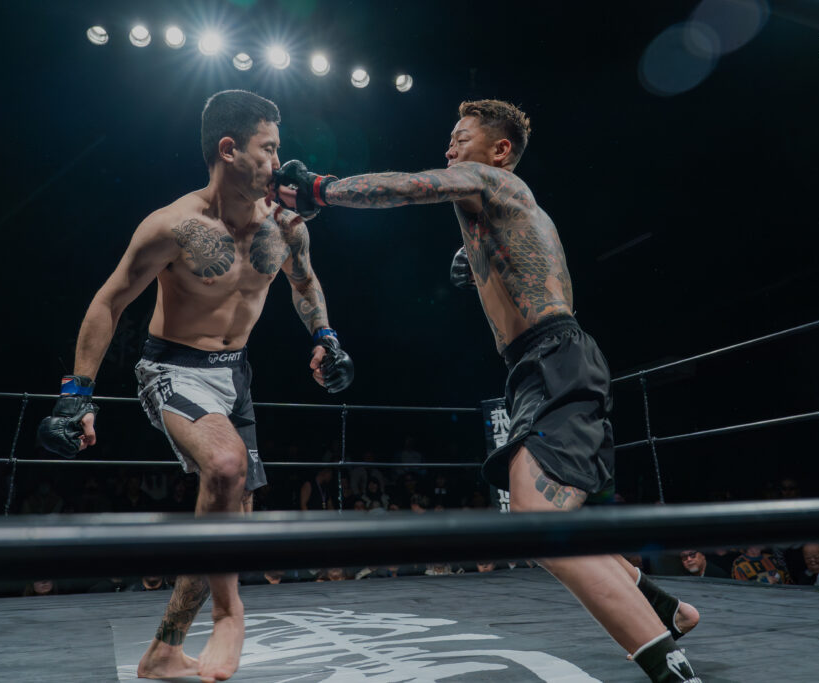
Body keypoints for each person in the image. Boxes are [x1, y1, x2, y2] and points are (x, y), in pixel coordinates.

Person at [275, 99, 701, 682]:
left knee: (535, 522)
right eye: (449, 138)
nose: (449, 147)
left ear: (499, 150)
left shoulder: (493, 180)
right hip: (536, 366)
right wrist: (474, 257)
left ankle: (672, 671)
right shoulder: (497, 207)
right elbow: (533, 252)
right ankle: (666, 608)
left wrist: (320, 189)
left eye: (461, 137)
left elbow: (408, 187)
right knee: (554, 516)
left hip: (556, 358)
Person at [36, 90, 354, 682]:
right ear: (229, 150)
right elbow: (110, 301)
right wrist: (76, 394)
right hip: (173, 367)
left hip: (236, 375)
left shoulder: (285, 226)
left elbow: (305, 284)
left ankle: (164, 651)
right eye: (269, 148)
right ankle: (230, 614)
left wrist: (326, 338)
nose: (280, 162)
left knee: (233, 517)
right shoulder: (173, 225)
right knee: (227, 468)